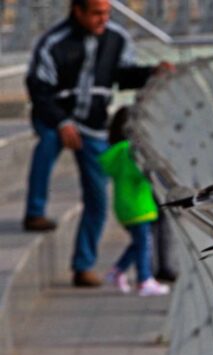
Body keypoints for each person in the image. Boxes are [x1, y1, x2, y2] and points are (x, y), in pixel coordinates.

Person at [22, 0, 175, 287]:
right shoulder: (53, 42)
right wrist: (61, 121)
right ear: (77, 11)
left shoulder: (116, 39)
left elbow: (122, 75)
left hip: (92, 126)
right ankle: (35, 211)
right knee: (47, 143)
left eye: (106, 12)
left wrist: (151, 72)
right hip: (55, 116)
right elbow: (38, 87)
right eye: (95, 13)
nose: (102, 19)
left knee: (98, 198)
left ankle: (83, 266)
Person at [99, 106, 170, 297]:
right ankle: (144, 279)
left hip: (126, 205)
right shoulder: (128, 151)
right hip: (138, 204)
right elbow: (139, 173)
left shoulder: (116, 151)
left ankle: (117, 271)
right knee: (143, 242)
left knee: (139, 242)